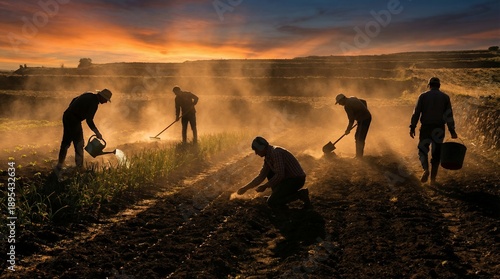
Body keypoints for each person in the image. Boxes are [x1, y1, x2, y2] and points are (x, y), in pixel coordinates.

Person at [237, 136, 311, 210]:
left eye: (256, 150)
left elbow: (280, 174)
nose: (256, 153)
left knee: (271, 203)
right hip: (288, 179)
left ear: (261, 148)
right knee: (269, 173)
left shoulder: (276, 153)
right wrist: (245, 188)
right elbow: (261, 176)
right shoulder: (268, 157)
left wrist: (265, 186)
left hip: (296, 180)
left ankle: (300, 195)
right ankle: (276, 196)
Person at [410, 77, 457, 184]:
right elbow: (449, 115)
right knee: (436, 153)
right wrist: (452, 130)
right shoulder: (445, 97)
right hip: (439, 128)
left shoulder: (423, 96)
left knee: (422, 150)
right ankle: (433, 179)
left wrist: (412, 127)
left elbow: (416, 113)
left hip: (426, 127)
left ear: (429, 85)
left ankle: (425, 169)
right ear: (439, 86)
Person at [55, 89, 112, 172]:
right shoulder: (94, 103)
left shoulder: (89, 94)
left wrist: (72, 110)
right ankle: (79, 167)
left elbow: (74, 99)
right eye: (106, 100)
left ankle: (60, 164)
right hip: (74, 120)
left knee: (66, 142)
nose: (106, 102)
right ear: (102, 97)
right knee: (79, 143)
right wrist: (97, 132)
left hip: (67, 115)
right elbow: (89, 120)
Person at [335, 93, 372, 158]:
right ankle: (359, 155)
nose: (339, 104)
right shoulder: (352, 98)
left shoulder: (347, 106)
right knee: (358, 136)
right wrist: (364, 111)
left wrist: (348, 130)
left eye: (339, 102)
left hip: (364, 119)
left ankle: (359, 156)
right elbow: (364, 101)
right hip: (365, 118)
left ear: (343, 99)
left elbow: (351, 120)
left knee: (359, 138)